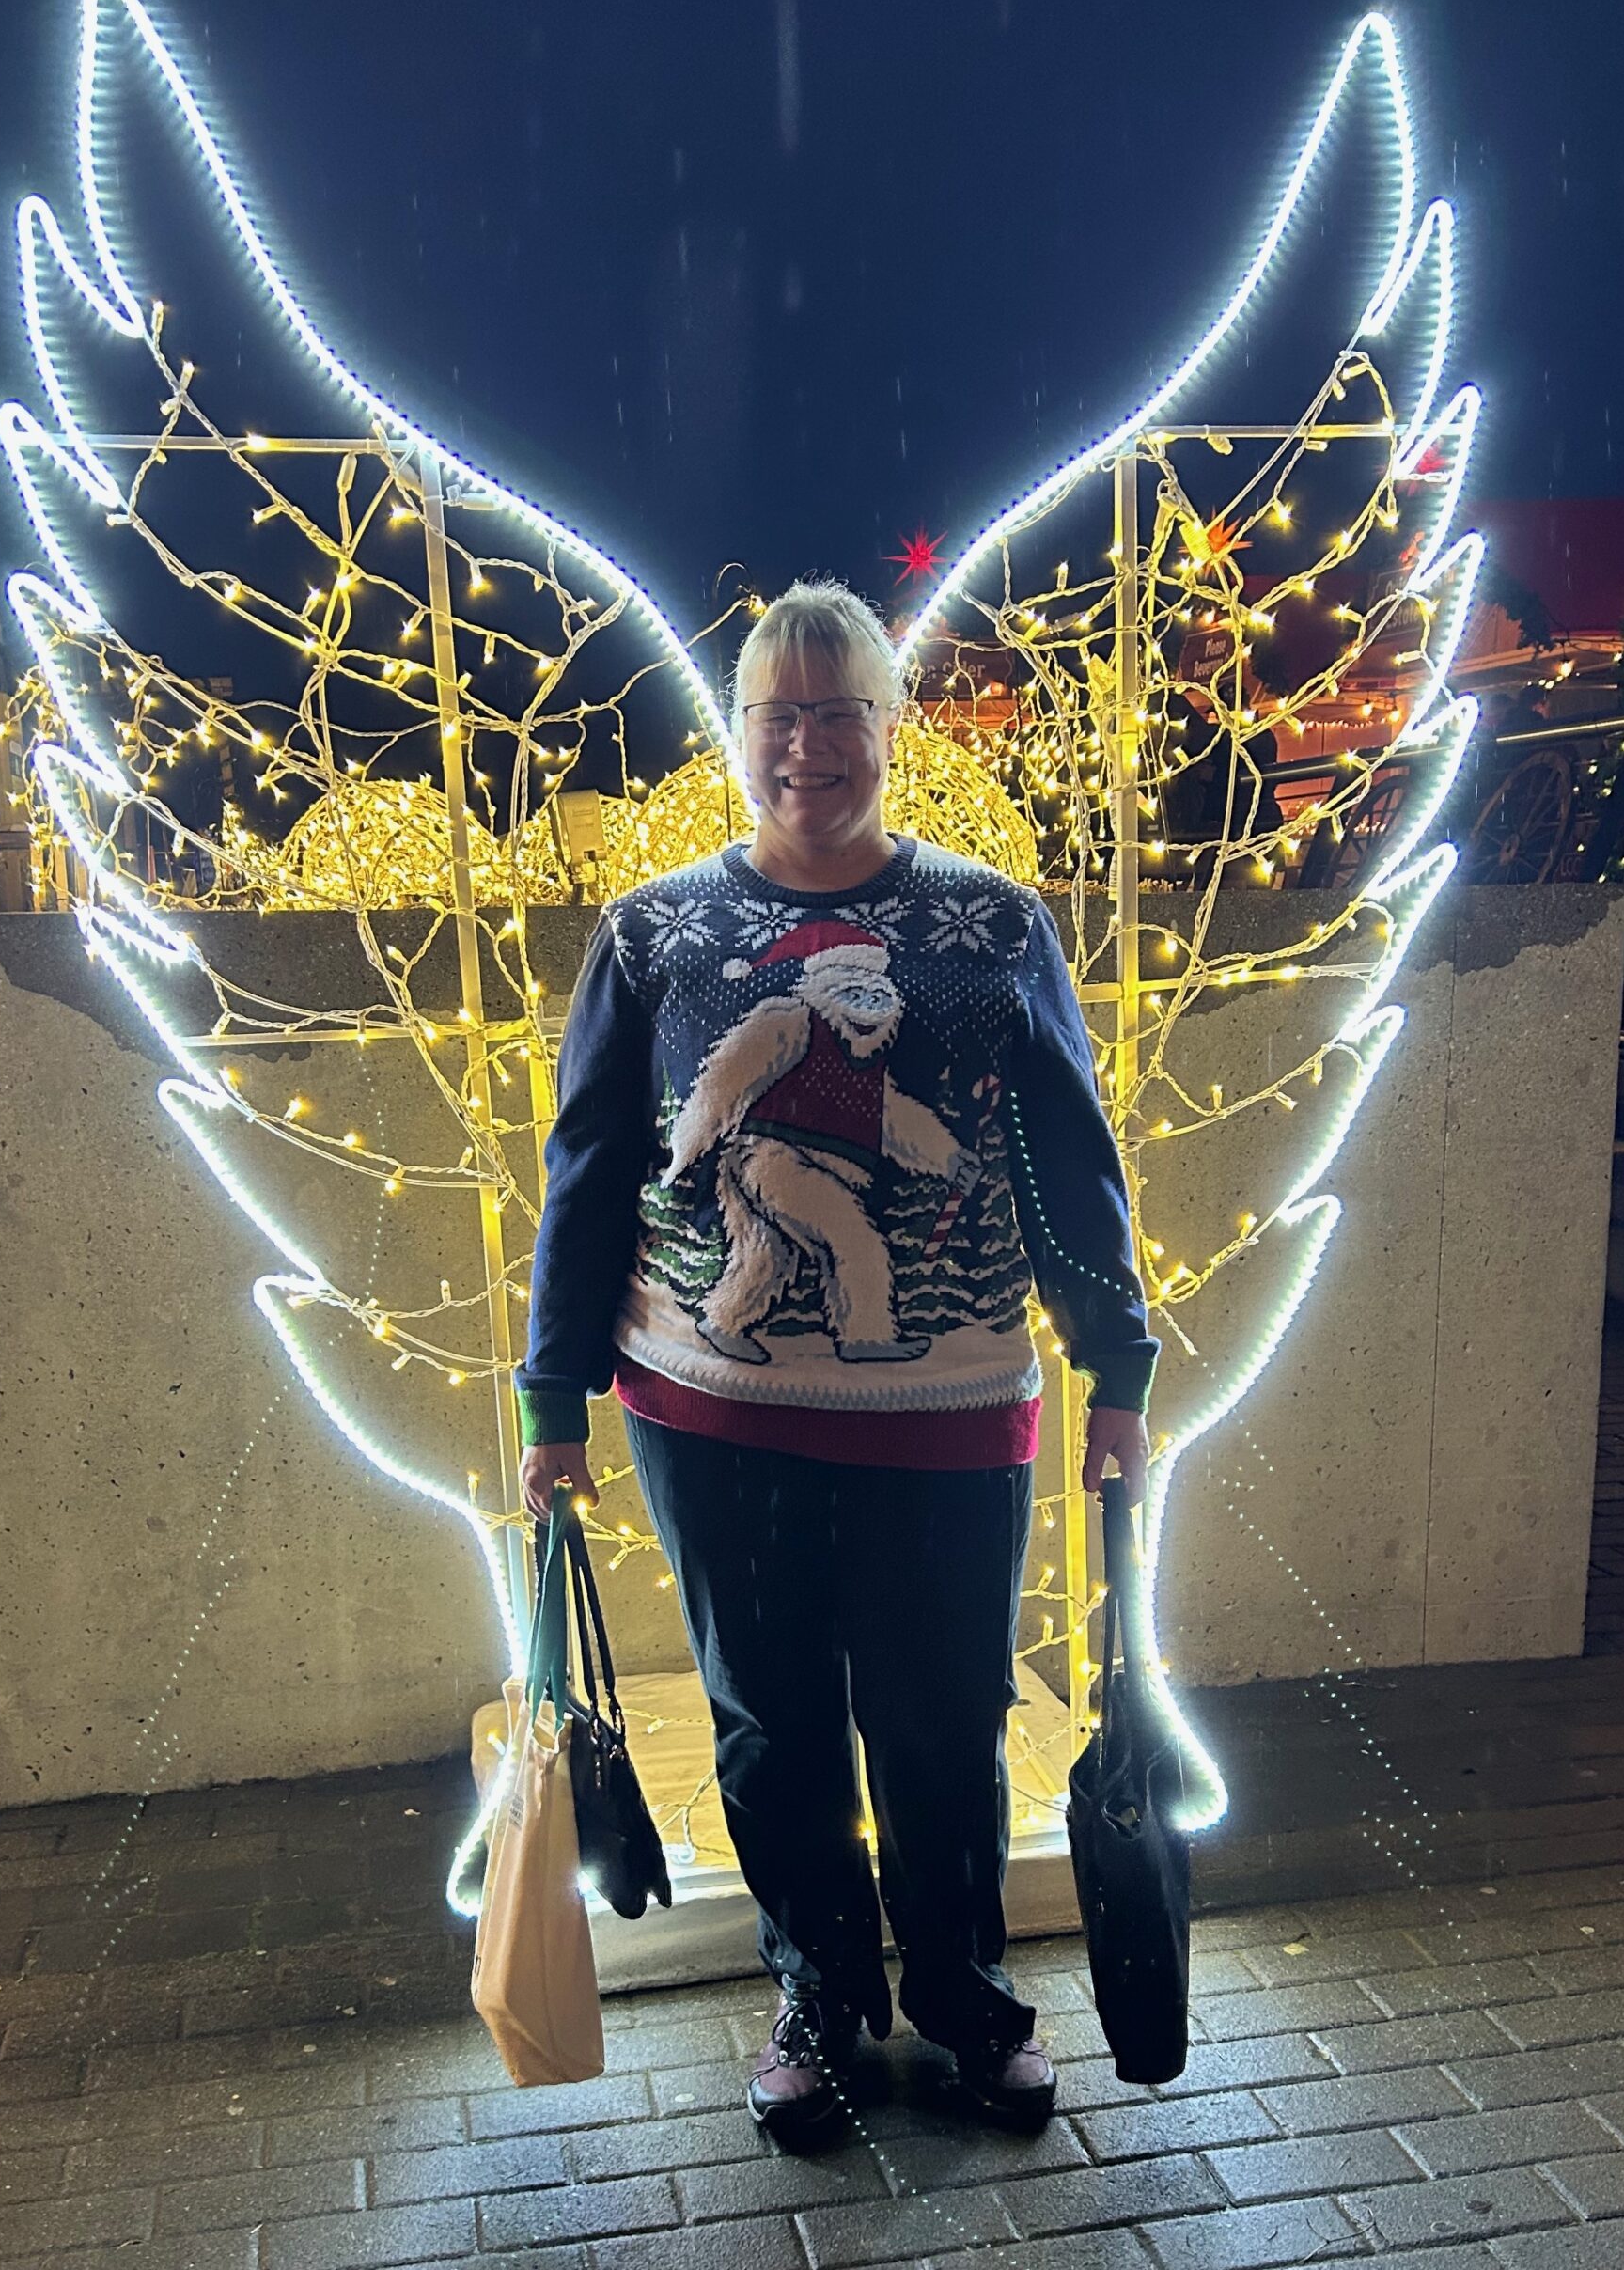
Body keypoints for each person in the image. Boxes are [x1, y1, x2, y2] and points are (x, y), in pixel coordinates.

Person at [516, 581, 1156, 2142]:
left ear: (890, 727)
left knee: (946, 1717)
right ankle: (817, 1995)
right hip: (708, 1411)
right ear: (739, 734)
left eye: (840, 711)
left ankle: (958, 1994)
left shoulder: (991, 924)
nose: (808, 746)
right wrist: (552, 1403)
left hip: (950, 1414)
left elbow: (1068, 1161)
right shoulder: (652, 930)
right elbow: (595, 1166)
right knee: (767, 1717)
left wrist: (1115, 1367)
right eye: (777, 715)